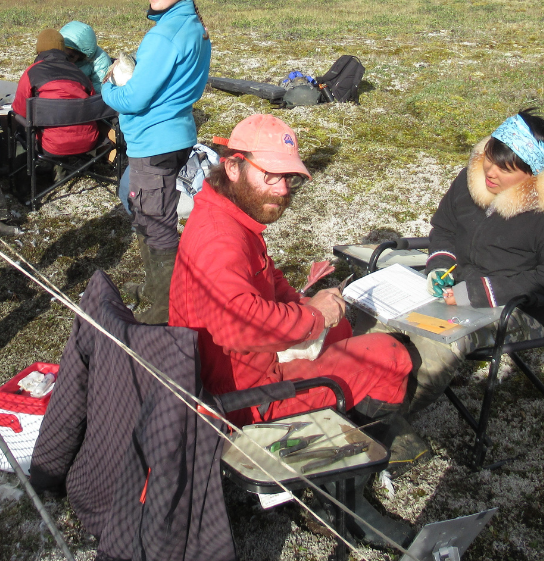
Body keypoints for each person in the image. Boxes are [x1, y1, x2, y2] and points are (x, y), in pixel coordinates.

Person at [170, 116, 423, 537]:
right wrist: (314, 316)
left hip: (241, 369)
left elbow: (264, 278)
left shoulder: (226, 214)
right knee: (393, 357)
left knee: (342, 333)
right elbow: (238, 325)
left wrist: (302, 303)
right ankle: (338, 498)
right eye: (270, 175)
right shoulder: (219, 237)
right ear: (233, 166)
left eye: (289, 178)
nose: (283, 189)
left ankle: (345, 437)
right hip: (246, 401)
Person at [396, 108, 544, 414]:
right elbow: (445, 228)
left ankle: (387, 421)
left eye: (505, 169)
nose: (490, 173)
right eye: (489, 159)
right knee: (382, 318)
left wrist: (475, 293)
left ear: (533, 174)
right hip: (455, 290)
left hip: (516, 309)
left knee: (434, 344)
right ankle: (356, 397)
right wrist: (439, 266)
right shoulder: (473, 181)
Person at [97, 0, 212, 323]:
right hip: (176, 134)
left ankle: (164, 309)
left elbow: (134, 98)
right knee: (154, 214)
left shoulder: (164, 34)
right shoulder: (195, 27)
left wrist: (106, 90)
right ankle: (155, 290)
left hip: (153, 141)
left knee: (154, 221)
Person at [11, 27, 103, 158]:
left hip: (50, 145)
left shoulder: (32, 72)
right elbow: (94, 107)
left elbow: (20, 110)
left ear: (39, 50)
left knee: (18, 120)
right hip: (87, 142)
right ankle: (65, 167)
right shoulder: (80, 73)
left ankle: (23, 168)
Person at [58, 20, 114, 88]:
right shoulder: (54, 54)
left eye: (70, 56)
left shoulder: (100, 61)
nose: (65, 58)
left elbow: (101, 89)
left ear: (80, 54)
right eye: (63, 51)